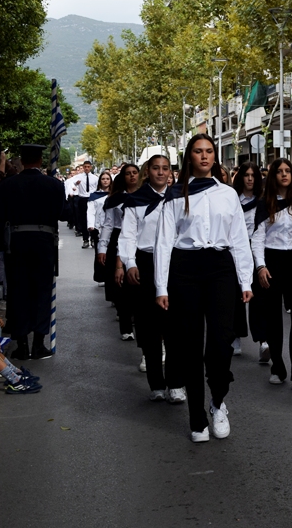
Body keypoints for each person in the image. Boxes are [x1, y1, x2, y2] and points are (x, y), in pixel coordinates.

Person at [154, 134, 254, 443]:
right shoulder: (173, 195)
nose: (205, 156)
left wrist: (245, 278)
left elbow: (238, 238)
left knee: (222, 343)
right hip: (185, 270)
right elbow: (163, 243)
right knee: (190, 345)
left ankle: (218, 402)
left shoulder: (227, 194)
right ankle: (196, 417)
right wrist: (161, 286)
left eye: (209, 151)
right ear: (189, 157)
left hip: (221, 269)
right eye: (198, 151)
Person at [118, 154, 185, 402]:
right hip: (144, 264)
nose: (160, 172)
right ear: (148, 172)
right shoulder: (135, 200)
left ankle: (176, 383)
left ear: (170, 172)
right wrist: (130, 263)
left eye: (165, 168)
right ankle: (156, 383)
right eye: (156, 168)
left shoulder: (180, 196)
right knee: (149, 326)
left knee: (174, 326)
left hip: (174, 264)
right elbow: (128, 236)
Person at [0, 144, 65, 361]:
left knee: (18, 293)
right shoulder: (53, 184)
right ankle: (39, 344)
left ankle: (22, 345)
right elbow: (62, 214)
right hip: (44, 242)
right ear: (41, 161)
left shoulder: (7, 185)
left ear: (22, 161)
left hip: (16, 243)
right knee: (42, 293)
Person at [252, 158, 292, 389]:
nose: (285, 175)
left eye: (288, 171)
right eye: (280, 171)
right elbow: (258, 238)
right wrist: (260, 266)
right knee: (273, 319)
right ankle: (278, 367)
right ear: (273, 176)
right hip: (272, 260)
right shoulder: (264, 204)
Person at [99, 164, 140, 341]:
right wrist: (102, 247)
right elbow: (108, 224)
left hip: (140, 240)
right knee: (122, 284)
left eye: (134, 173)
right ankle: (126, 326)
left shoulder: (145, 196)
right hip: (118, 237)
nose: (132, 176)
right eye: (128, 174)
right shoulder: (114, 199)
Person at [232, 162, 269, 362]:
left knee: (258, 296)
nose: (250, 179)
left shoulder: (263, 201)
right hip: (235, 249)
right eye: (246, 175)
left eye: (253, 175)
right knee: (237, 295)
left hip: (256, 249)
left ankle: (262, 340)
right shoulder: (232, 200)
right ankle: (236, 336)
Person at [87, 171, 112, 285]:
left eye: (107, 178)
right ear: (100, 181)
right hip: (99, 227)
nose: (105, 180)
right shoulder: (94, 196)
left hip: (112, 227)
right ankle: (100, 276)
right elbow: (91, 211)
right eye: (103, 179)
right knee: (100, 252)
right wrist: (91, 225)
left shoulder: (115, 195)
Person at [73, 160, 96, 248]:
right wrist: (76, 184)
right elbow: (73, 183)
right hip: (82, 198)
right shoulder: (78, 177)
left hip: (92, 199)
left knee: (92, 219)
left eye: (88, 167)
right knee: (83, 219)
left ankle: (93, 239)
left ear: (90, 167)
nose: (86, 168)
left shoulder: (94, 178)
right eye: (85, 167)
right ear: (83, 167)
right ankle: (85, 239)